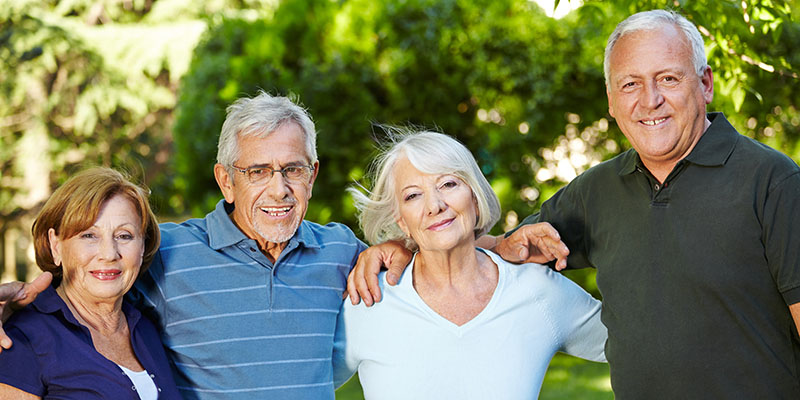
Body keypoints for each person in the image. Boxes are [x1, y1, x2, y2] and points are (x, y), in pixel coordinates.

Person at [349, 9, 800, 398]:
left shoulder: (772, 181)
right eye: (630, 84)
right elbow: (489, 243)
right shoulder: (597, 191)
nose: (650, 100)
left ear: (705, 84)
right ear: (610, 100)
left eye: (668, 78)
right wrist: (408, 249)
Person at [0, 92, 382, 399]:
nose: (279, 188)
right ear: (226, 180)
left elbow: (425, 276)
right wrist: (17, 302)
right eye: (258, 172)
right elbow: (92, 276)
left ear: (312, 175)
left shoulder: (340, 250)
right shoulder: (168, 254)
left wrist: (397, 248)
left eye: (293, 169)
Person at [333, 130, 606, 399]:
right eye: (413, 196)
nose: (435, 205)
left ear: (475, 197)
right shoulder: (369, 301)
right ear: (401, 221)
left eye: (448, 184)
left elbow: (638, 341)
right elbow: (297, 382)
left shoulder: (537, 290)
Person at [0, 167, 182, 399]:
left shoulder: (146, 327)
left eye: (124, 235)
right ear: (56, 246)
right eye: (89, 235)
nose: (109, 254)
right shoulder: (23, 337)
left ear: (143, 246)